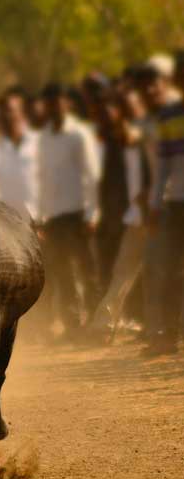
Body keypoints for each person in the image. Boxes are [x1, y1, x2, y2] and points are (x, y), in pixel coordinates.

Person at [37, 83, 102, 336]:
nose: (54, 107)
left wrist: (93, 213)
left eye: (58, 101)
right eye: (50, 102)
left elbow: (91, 175)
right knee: (63, 273)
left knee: (88, 270)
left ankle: (98, 324)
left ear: (67, 103)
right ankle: (73, 325)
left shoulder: (79, 134)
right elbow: (42, 178)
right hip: (55, 216)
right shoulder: (44, 136)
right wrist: (42, 217)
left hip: (79, 213)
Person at [90, 92, 147, 335]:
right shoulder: (115, 145)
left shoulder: (148, 139)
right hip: (131, 217)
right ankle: (106, 321)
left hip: (157, 212)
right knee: (123, 270)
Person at [143, 53, 184, 354]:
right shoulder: (169, 116)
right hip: (178, 203)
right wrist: (155, 205)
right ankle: (170, 334)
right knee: (172, 271)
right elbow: (163, 167)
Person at [0, 91, 39, 221]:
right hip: (5, 223)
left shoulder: (38, 142)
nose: (6, 116)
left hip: (36, 220)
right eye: (2, 112)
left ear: (22, 113)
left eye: (10, 110)